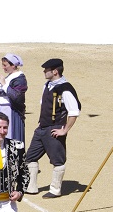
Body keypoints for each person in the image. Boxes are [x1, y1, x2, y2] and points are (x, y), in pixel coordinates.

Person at [24, 58, 81, 199]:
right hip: (42, 127)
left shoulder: (65, 88)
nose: (44, 71)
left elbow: (74, 111)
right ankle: (31, 187)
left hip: (55, 128)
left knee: (57, 160)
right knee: (30, 157)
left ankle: (55, 190)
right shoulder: (47, 85)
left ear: (55, 71)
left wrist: (64, 130)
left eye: (47, 70)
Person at [0, 53, 27, 142]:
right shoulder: (8, 77)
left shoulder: (20, 78)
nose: (3, 67)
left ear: (13, 65)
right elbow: (0, 94)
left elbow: (17, 96)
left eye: (5, 65)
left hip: (10, 110)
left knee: (8, 134)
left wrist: (4, 84)